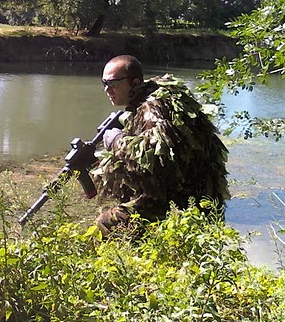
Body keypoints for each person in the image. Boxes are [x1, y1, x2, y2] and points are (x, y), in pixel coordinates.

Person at [91, 54, 230, 236]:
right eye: (104, 84)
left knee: (105, 223)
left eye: (113, 83)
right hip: (193, 194)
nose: (107, 89)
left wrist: (116, 140)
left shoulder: (152, 108)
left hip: (186, 202)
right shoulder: (157, 97)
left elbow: (154, 161)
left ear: (134, 83)